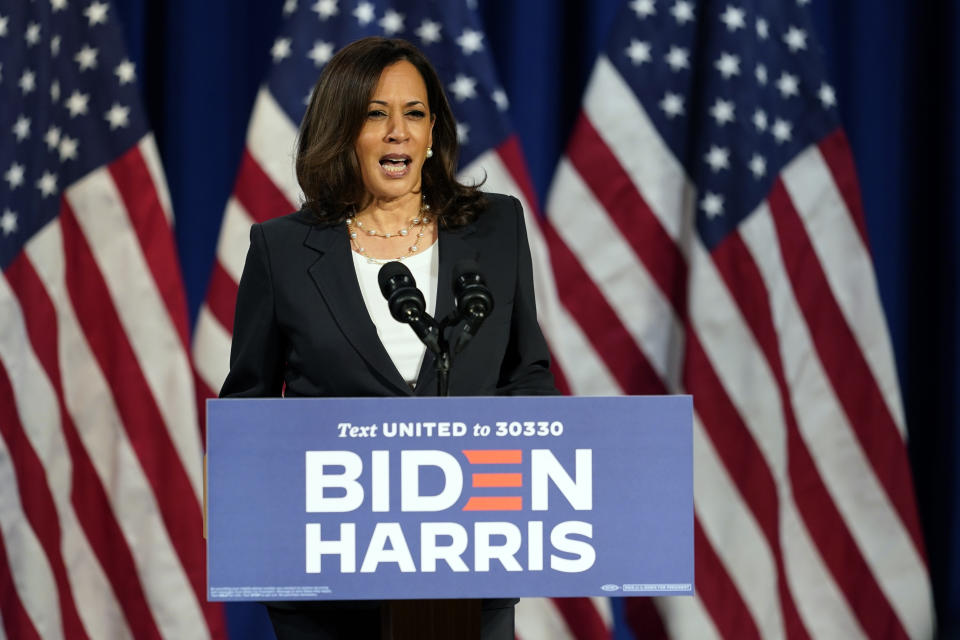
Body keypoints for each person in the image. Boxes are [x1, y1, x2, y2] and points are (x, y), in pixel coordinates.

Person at [220, 36, 557, 640]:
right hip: (327, 588)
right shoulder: (283, 251)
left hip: (467, 573)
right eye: (376, 114)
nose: (399, 131)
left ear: (433, 134)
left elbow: (527, 374)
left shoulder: (496, 226)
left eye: (415, 113)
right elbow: (248, 408)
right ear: (343, 129)